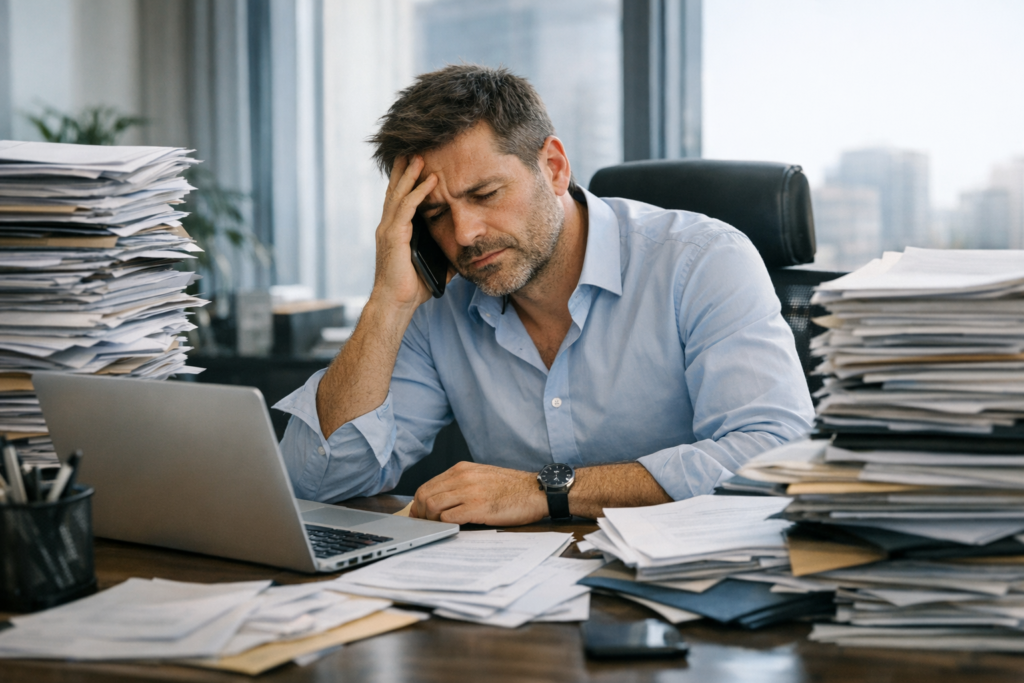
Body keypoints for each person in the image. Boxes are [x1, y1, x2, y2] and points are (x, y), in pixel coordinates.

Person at [276, 64, 814, 526]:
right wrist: (385, 304)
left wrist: (546, 490)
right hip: (514, 608)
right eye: (436, 214)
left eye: (485, 194)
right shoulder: (439, 305)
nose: (464, 234)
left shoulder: (701, 260)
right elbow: (316, 483)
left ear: (553, 167)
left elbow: (772, 456)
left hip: (691, 593)